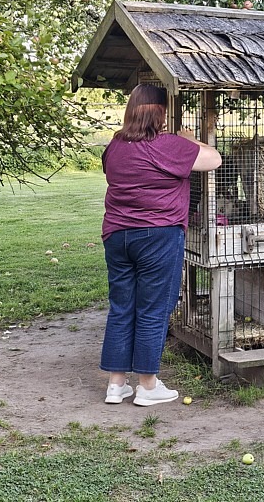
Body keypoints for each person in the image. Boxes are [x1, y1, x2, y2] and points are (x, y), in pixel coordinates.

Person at [99, 84, 222, 406]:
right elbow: (214, 160)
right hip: (158, 235)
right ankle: (148, 386)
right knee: (153, 308)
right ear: (161, 112)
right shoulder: (169, 145)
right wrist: (190, 138)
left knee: (122, 306)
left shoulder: (115, 145)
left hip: (117, 236)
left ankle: (116, 385)